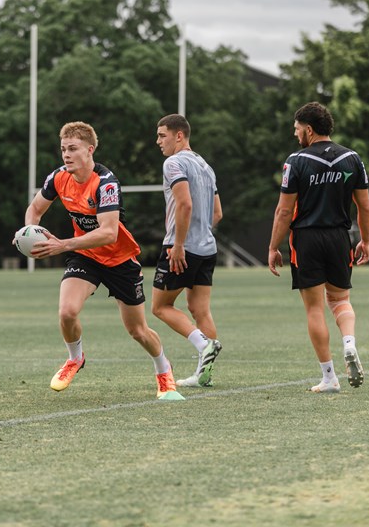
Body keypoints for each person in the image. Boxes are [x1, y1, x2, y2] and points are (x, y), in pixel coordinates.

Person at [23, 121, 178, 399]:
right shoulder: (58, 177)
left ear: (90, 150)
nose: (66, 155)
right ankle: (75, 358)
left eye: (73, 149)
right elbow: (35, 209)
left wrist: (62, 245)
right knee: (67, 311)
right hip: (85, 255)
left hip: (120, 260)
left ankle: (163, 370)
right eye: (63, 149)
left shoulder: (106, 184)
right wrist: (27, 233)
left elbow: (107, 233)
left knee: (138, 331)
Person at [268, 102, 369, 393]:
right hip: (340, 237)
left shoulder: (296, 160)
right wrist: (365, 240)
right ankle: (349, 343)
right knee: (340, 300)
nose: (295, 134)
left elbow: (284, 212)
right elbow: (364, 206)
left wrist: (273, 246)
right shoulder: (352, 158)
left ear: (309, 130)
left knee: (315, 308)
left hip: (307, 239)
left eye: (297, 129)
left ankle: (329, 377)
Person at [151, 114, 223, 387]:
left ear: (179, 135)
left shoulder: (174, 162)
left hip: (180, 247)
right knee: (200, 310)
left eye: (162, 135)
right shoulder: (205, 166)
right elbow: (217, 213)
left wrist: (179, 244)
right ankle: (204, 374)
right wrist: (199, 233)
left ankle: (203, 344)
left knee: (160, 307)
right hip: (207, 247)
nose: (158, 141)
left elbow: (185, 205)